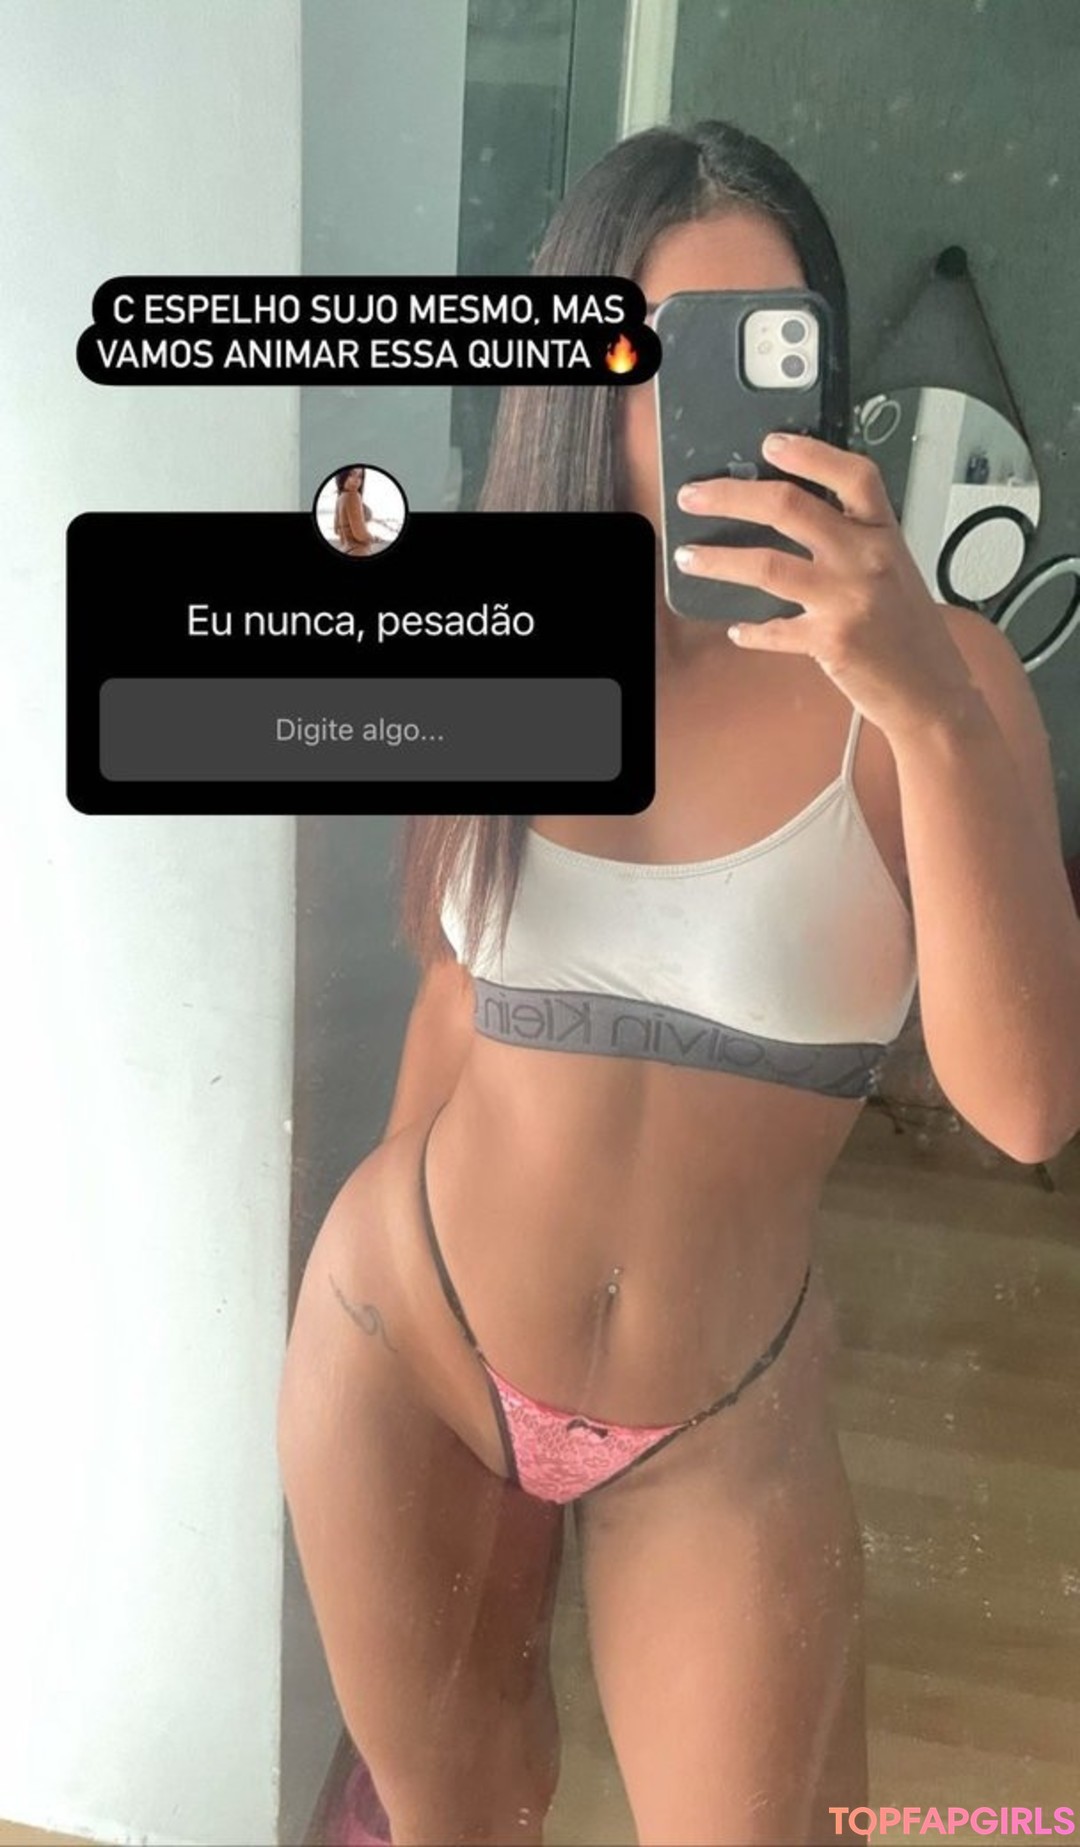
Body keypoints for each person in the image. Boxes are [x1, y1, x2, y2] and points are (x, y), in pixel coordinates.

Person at [278, 121, 1078, 1847]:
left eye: (768, 346)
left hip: (718, 1423)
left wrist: (922, 703)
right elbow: (453, 995)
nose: (721, 407)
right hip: (404, 1348)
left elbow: (1027, 1110)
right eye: (662, 353)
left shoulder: (941, 685)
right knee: (460, 1815)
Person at [334, 464, 374, 554]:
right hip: (358, 550)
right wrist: (373, 538)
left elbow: (336, 530)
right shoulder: (354, 495)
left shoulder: (340, 498)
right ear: (342, 475)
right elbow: (360, 534)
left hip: (344, 549)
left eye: (360, 476)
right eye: (351, 474)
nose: (356, 480)